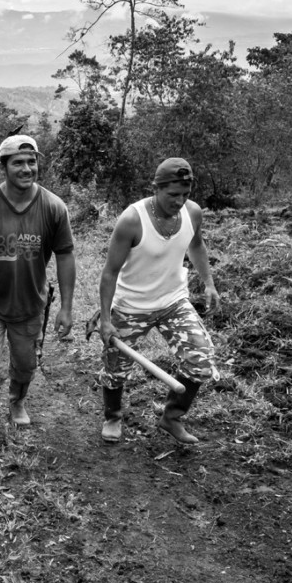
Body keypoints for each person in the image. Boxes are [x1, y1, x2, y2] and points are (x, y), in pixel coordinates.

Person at [0, 134, 76, 455]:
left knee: (24, 364)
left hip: (30, 302)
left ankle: (18, 401)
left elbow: (65, 256)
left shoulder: (53, 207)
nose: (26, 169)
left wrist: (67, 308)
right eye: (18, 163)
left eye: (31, 162)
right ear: (3, 167)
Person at [96, 157, 220, 445]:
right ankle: (113, 416)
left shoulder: (192, 213)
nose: (179, 201)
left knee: (200, 360)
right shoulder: (132, 220)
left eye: (185, 195)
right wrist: (104, 319)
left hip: (173, 301)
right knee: (115, 371)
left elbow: (196, 244)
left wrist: (209, 284)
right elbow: (109, 272)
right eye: (172, 195)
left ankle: (172, 418)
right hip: (131, 306)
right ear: (156, 188)